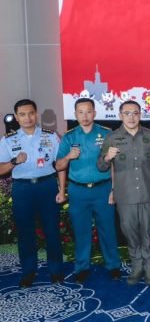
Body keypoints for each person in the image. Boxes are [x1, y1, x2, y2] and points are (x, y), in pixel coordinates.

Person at [56, 98, 121, 284]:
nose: (85, 116)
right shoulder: (69, 137)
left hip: (103, 189)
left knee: (107, 229)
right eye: (81, 112)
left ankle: (113, 266)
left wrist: (114, 189)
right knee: (81, 230)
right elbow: (59, 166)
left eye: (88, 111)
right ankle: (82, 267)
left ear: (95, 113)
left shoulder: (106, 133)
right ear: (75, 114)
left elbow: (114, 164)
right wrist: (68, 157)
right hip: (78, 191)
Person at [0, 99, 64, 287]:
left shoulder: (51, 136)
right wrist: (14, 162)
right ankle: (28, 271)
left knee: (52, 230)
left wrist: (61, 189)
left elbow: (60, 164)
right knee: (25, 231)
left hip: (47, 186)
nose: (27, 117)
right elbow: (1, 169)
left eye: (30, 113)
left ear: (36, 114)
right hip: (22, 188)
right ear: (17, 117)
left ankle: (56, 271)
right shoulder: (8, 140)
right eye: (22, 114)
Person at [97, 100, 150, 285]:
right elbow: (101, 166)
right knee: (130, 232)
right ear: (120, 115)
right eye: (127, 113)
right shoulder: (112, 137)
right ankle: (137, 267)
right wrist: (107, 157)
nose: (131, 117)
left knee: (148, 232)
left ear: (140, 115)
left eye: (135, 113)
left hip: (148, 193)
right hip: (125, 195)